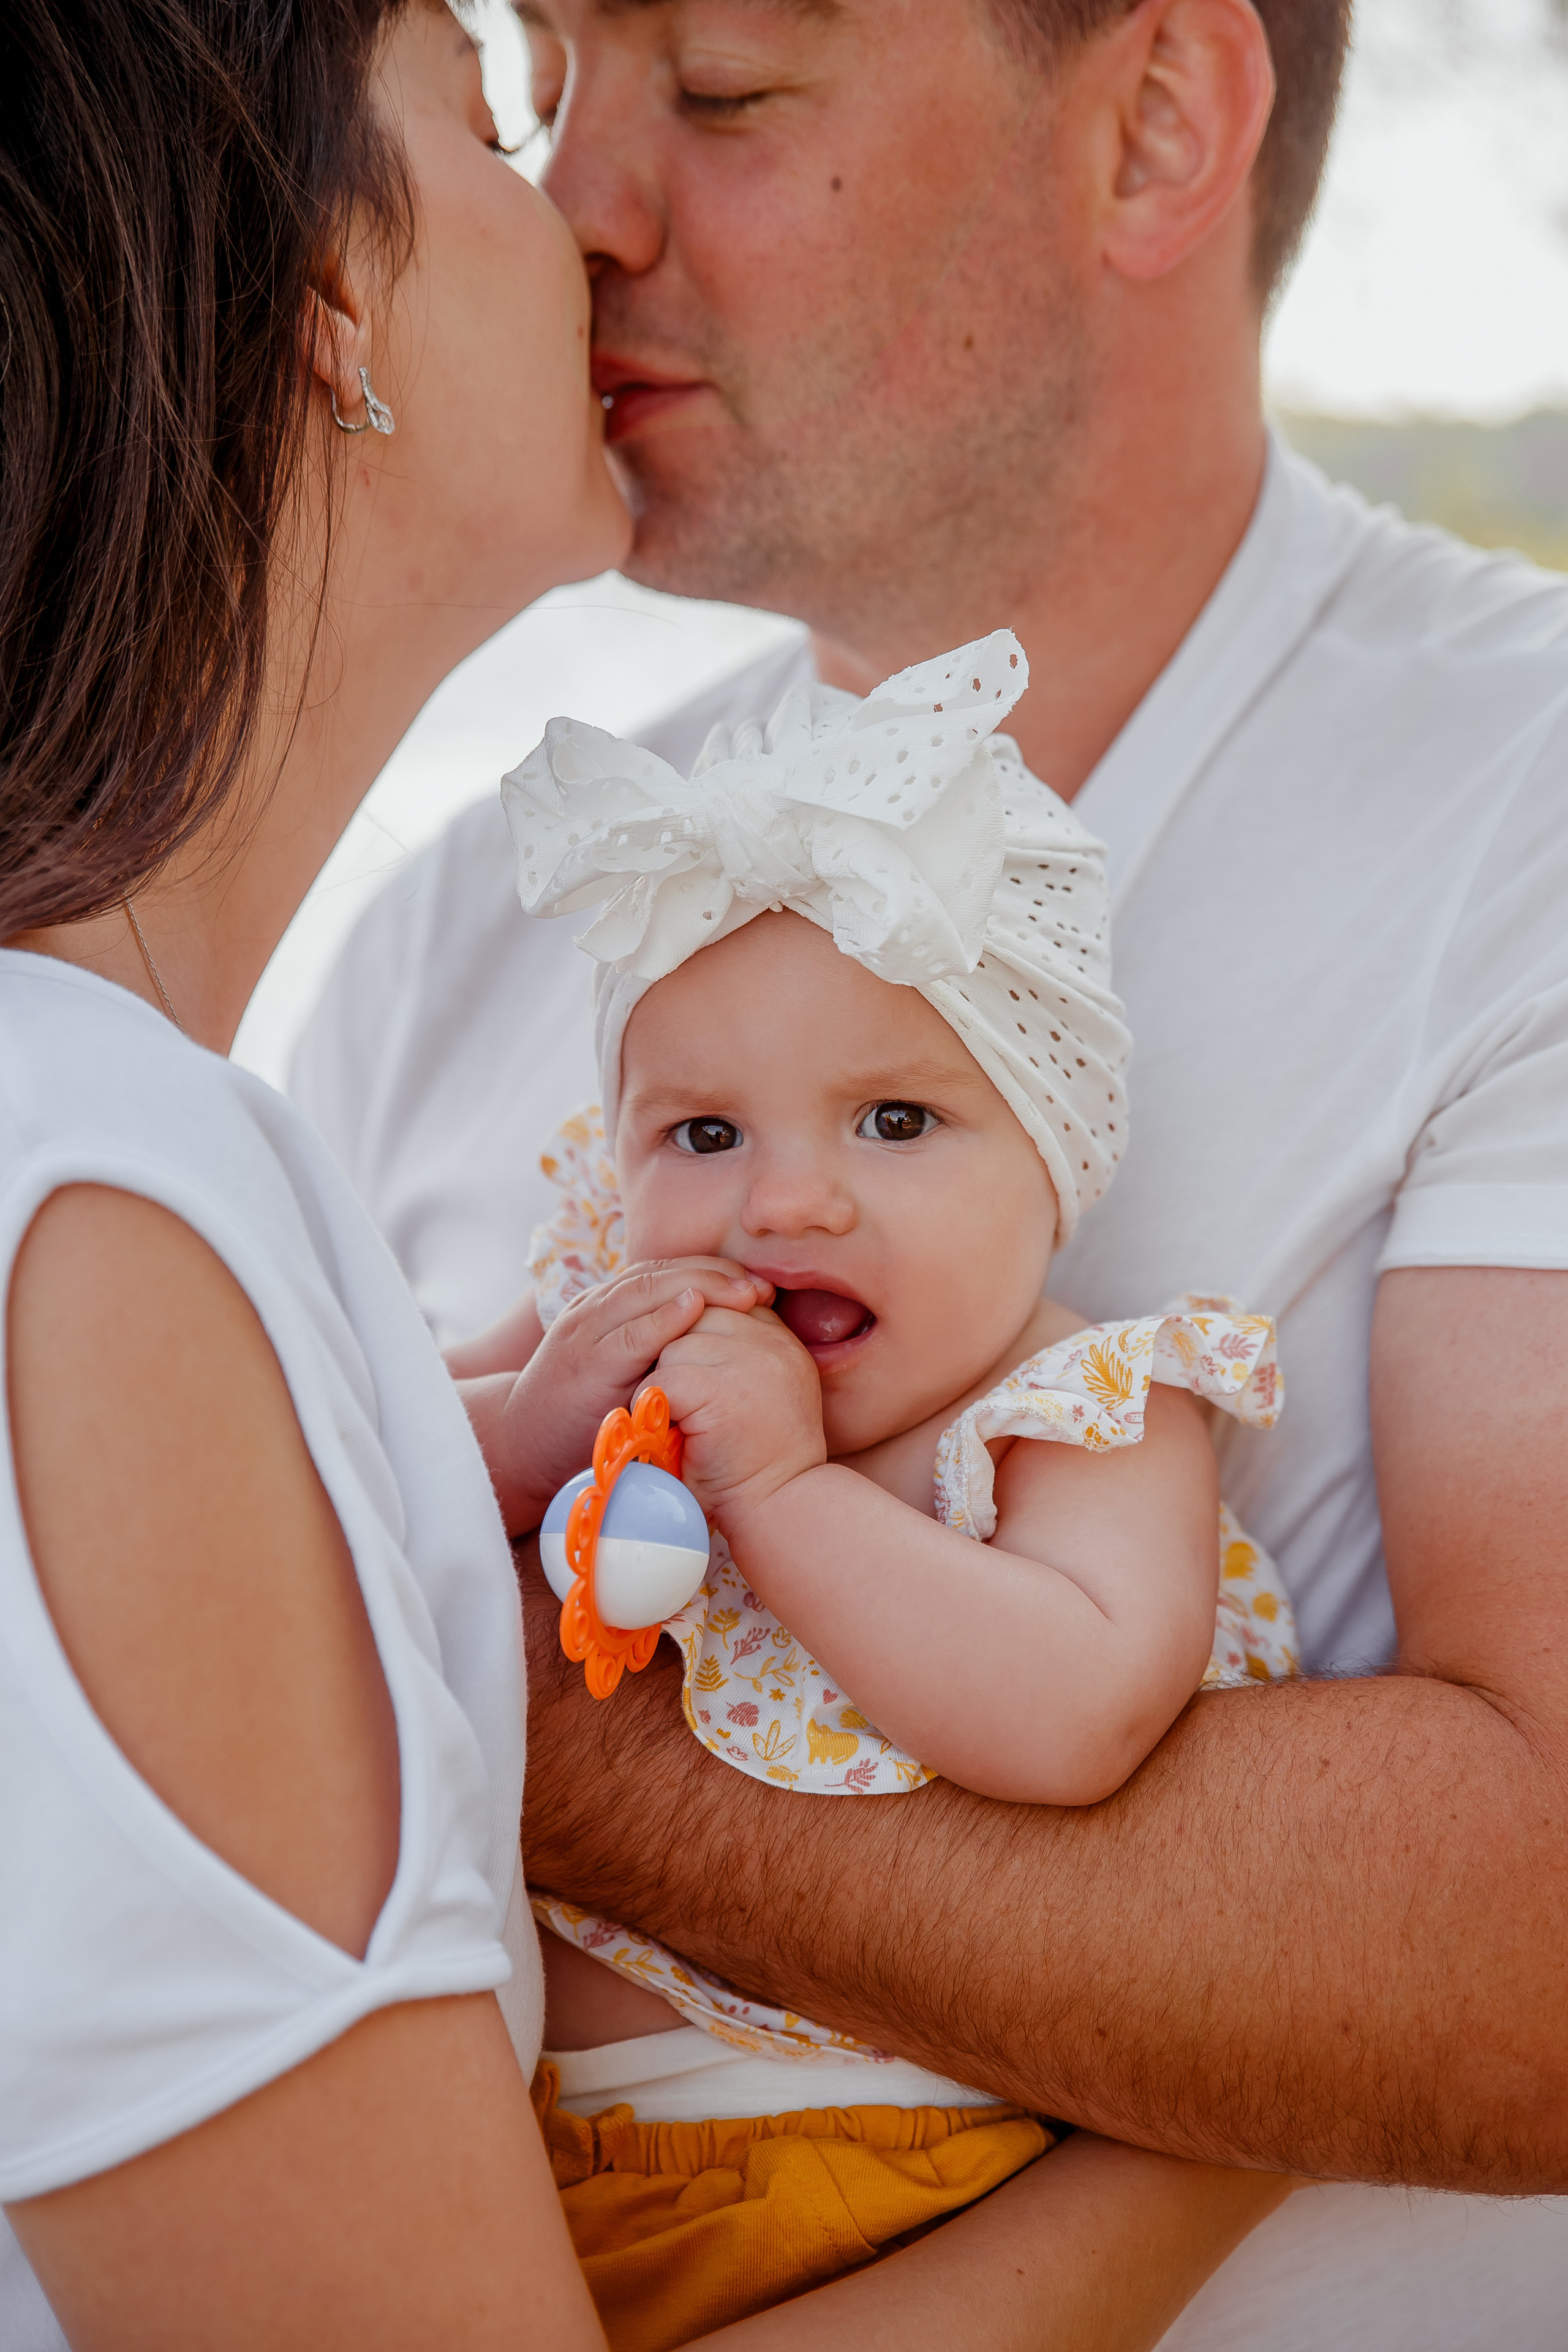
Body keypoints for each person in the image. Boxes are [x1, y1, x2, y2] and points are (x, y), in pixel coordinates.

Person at [0, 6, 1300, 2349]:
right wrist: (1258, 2116)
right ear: (330, 316)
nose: (593, 214)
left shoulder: (146, 1150)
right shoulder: (94, 1212)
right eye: (497, 123)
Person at [292, 0, 1568, 2340]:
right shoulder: (462, 912)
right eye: (549, 83)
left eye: (727, 86)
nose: (580, 205)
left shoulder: (1536, 812)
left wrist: (412, 1656)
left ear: (1157, 119)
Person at [466, 628, 1297, 2345]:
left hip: (860, 2179)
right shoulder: (606, 1316)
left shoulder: (1078, 1410)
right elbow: (350, 1469)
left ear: (1056, 1168)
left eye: (894, 1124)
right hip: (505, 2155)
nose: (787, 1205)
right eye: (704, 1136)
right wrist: (539, 1418)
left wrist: (779, 1486)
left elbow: (1075, 1708)